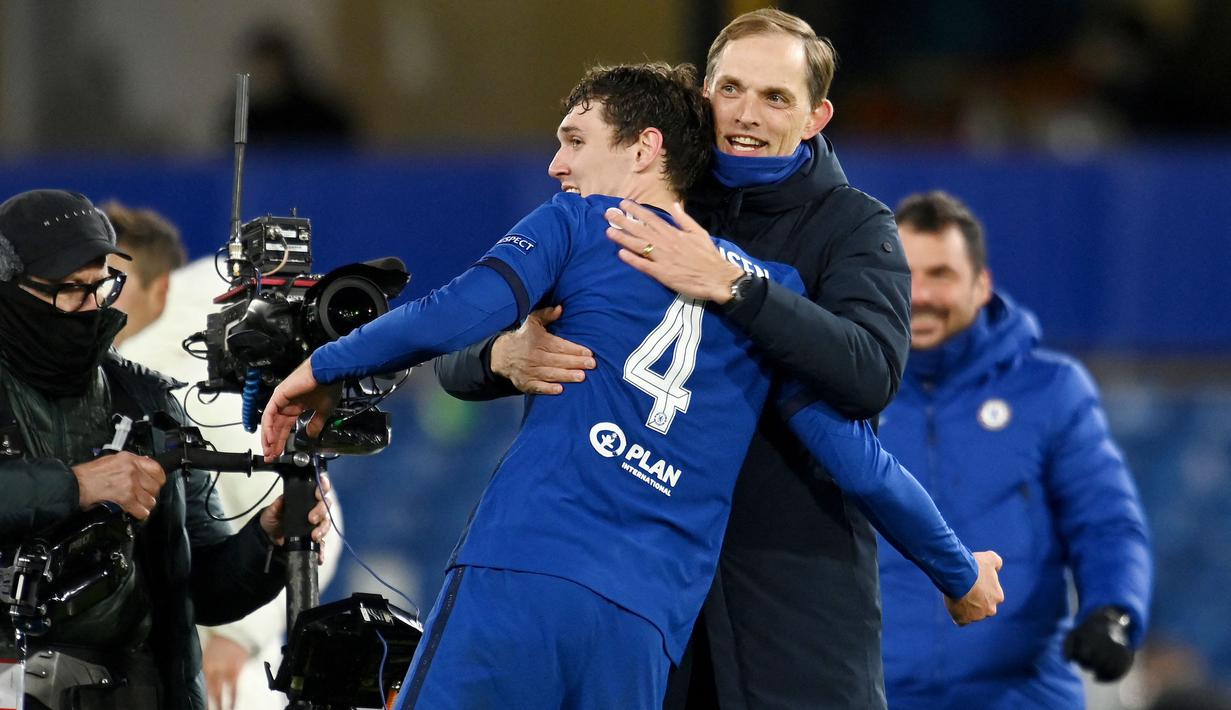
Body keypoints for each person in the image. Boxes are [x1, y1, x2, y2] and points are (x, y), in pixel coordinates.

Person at [261, 63, 1002, 709]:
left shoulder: (582, 223)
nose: (556, 164)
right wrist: (959, 571)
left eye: (575, 140)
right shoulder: (764, 293)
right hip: (641, 628)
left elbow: (451, 312)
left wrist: (321, 367)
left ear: (646, 147)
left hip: (523, 572)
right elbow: (858, 461)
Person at [434, 9, 910, 707]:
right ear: (703, 94)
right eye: (730, 89)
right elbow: (455, 351)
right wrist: (502, 355)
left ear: (815, 116)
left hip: (790, 600)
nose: (746, 115)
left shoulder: (856, 228)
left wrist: (735, 287)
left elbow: (868, 376)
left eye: (775, 97)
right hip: (634, 587)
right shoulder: (637, 193)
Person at [0, 189, 332, 710]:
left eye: (101, 288)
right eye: (69, 291)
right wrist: (78, 485)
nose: (91, 309)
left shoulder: (147, 400)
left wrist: (264, 540)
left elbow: (204, 583)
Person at [876, 190, 1153, 709]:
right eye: (906, 274)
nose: (921, 294)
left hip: (1023, 694)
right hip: (876, 695)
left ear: (982, 285)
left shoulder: (1051, 389)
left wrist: (1113, 611)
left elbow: (1106, 522)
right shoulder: (846, 388)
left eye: (941, 274)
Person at [105, 202, 343, 710]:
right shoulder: (92, 382)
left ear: (160, 288)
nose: (106, 300)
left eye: (118, 283)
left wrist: (242, 636)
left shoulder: (180, 378)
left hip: (218, 670)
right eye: (95, 282)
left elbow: (309, 503)